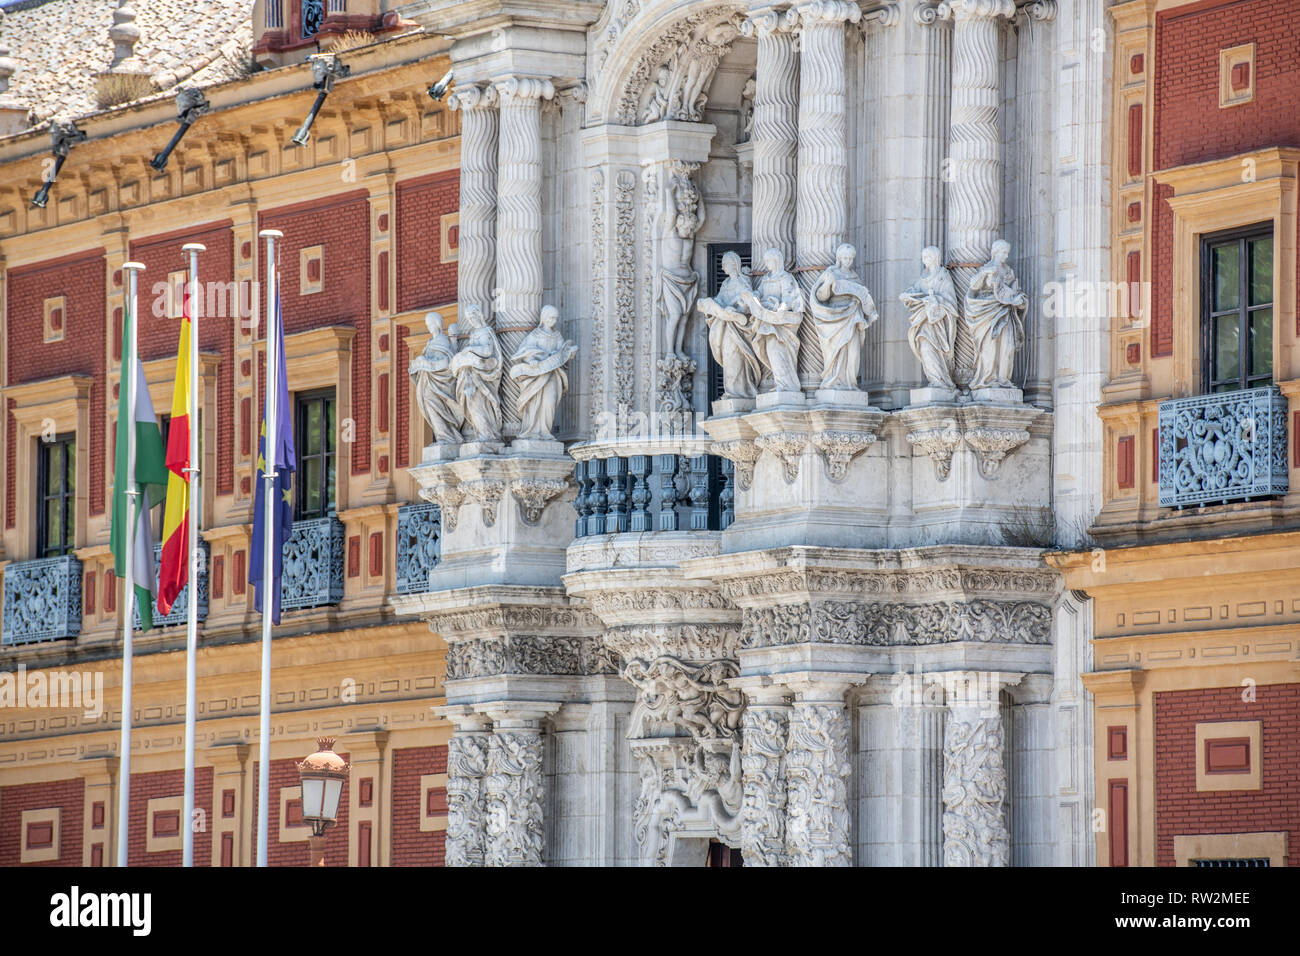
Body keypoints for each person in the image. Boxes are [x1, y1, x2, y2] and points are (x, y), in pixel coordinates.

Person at [808, 243, 877, 390]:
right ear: (839, 258)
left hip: (853, 317)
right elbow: (821, 296)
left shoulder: (855, 276)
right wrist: (828, 284)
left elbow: (863, 297)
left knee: (854, 352)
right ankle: (834, 381)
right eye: (845, 258)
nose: (848, 261)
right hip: (835, 318)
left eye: (850, 258)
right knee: (836, 352)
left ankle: (850, 383)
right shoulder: (831, 273)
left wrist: (869, 311)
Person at [965, 239, 1028, 390]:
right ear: (995, 252)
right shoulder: (987, 268)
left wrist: (1019, 299)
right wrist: (983, 274)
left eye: (1007, 253)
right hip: (988, 313)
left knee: (1008, 346)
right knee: (990, 347)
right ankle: (988, 378)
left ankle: (1003, 379)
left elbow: (1013, 290)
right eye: (1003, 252)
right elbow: (973, 286)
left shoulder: (1009, 271)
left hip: (1006, 312)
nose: (1005, 256)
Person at [740, 247, 805, 393]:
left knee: (778, 351)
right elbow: (759, 293)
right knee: (770, 350)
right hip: (768, 322)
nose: (767, 263)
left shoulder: (785, 278)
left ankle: (788, 385)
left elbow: (789, 297)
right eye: (766, 261)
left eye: (769, 260)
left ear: (777, 261)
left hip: (782, 323)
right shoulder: (766, 278)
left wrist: (782, 309)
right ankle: (780, 383)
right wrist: (751, 296)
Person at [509, 305, 578, 441]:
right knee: (535, 402)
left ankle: (545, 431)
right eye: (551, 317)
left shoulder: (557, 336)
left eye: (555, 318)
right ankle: (532, 430)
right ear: (544, 318)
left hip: (552, 374)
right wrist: (532, 360)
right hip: (537, 374)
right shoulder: (535, 334)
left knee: (549, 401)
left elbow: (561, 353)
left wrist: (569, 353)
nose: (554, 320)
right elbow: (525, 351)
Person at [699, 251, 759, 400]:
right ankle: (731, 391)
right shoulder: (725, 284)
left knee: (736, 356)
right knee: (728, 356)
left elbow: (748, 302)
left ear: (733, 264)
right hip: (726, 328)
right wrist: (711, 307)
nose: (723, 269)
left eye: (725, 265)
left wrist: (736, 308)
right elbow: (719, 300)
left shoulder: (743, 281)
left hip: (739, 328)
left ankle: (740, 392)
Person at [899, 246, 960, 389]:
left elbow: (951, 301)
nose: (924, 260)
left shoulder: (942, 276)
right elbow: (913, 291)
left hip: (938, 322)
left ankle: (942, 381)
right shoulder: (923, 278)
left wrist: (936, 302)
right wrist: (907, 296)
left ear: (935, 258)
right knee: (925, 347)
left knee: (938, 350)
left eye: (927, 257)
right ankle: (935, 379)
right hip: (923, 322)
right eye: (923, 257)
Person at [449, 304, 503, 442]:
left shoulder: (486, 331)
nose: (471, 319)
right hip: (469, 375)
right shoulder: (473, 333)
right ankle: (480, 433)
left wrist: (469, 349)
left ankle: (488, 434)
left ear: (479, 315)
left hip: (482, 374)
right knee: (471, 404)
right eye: (468, 317)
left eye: (473, 315)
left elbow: (487, 352)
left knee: (480, 403)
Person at [408, 310, 462, 443]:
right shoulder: (430, 343)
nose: (429, 327)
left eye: (430, 324)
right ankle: (441, 436)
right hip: (428, 383)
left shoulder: (443, 341)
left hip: (441, 383)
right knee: (430, 406)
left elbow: (447, 362)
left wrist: (427, 362)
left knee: (437, 405)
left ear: (437, 324)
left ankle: (447, 436)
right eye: (428, 325)